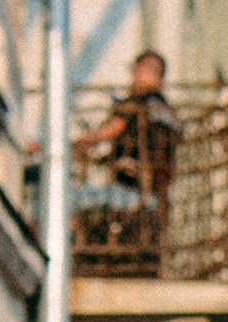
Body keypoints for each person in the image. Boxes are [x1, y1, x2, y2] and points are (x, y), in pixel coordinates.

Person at [73, 49, 182, 268]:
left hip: (131, 194)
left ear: (152, 74)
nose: (135, 77)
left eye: (139, 71)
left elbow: (112, 129)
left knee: (70, 199)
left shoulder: (137, 104)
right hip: (155, 198)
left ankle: (59, 248)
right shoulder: (167, 111)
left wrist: (75, 145)